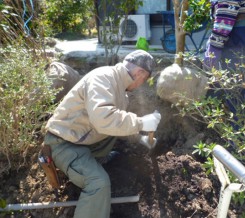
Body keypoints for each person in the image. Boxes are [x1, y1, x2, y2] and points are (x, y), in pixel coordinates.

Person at [43, 50, 161, 218]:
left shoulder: (120, 89)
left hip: (81, 139)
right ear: (139, 73)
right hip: (64, 143)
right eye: (145, 79)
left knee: (116, 125)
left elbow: (118, 123)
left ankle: (97, 160)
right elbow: (104, 120)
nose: (141, 84)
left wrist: (140, 137)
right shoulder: (103, 78)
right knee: (98, 183)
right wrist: (141, 122)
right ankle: (91, 170)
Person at [204, 0, 245, 130]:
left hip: (240, 34)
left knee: (238, 94)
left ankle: (241, 146)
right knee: (244, 91)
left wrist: (214, 46)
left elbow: (227, 8)